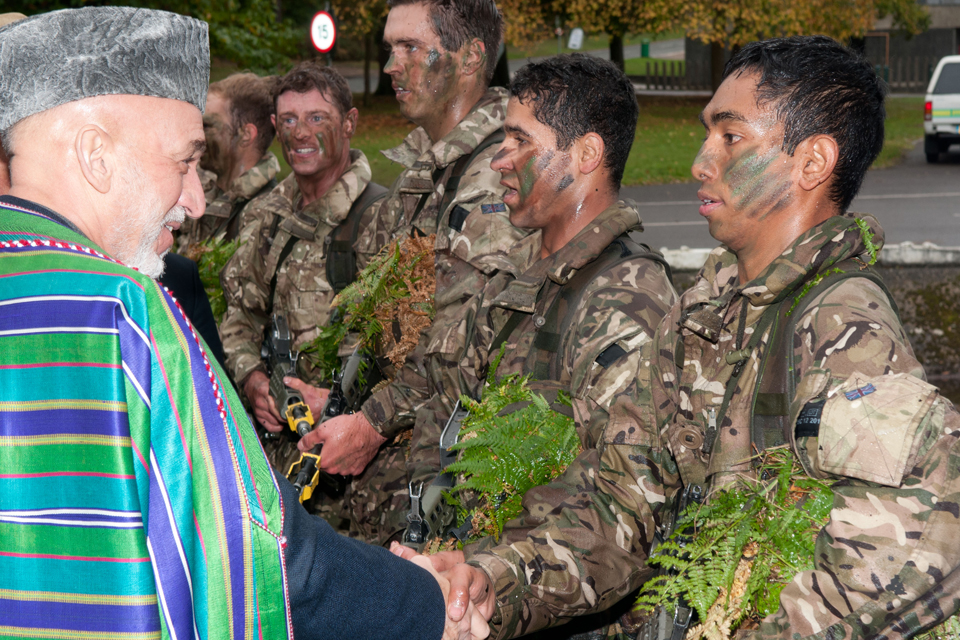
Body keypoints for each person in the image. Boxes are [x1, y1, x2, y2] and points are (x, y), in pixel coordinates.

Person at [406, 36, 960, 640]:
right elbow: (622, 506)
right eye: (706, 134)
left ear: (812, 162)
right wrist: (496, 582)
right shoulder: (704, 316)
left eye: (730, 137)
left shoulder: (844, 332)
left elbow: (918, 551)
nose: (700, 162)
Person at [0, 8, 488, 639]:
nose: (197, 199)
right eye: (183, 161)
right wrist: (426, 603)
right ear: (96, 155)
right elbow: (262, 550)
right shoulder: (125, 316)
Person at [317, 54, 677, 546]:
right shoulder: (524, 272)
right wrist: (368, 423)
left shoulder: (627, 301)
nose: (499, 158)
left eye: (520, 140)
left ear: (586, 154)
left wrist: (484, 582)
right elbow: (442, 378)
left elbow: (616, 510)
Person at [300, 0, 533, 543]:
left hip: (455, 489)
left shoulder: (492, 177)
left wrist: (370, 421)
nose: (391, 66)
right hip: (400, 480)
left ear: (471, 57)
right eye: (389, 49)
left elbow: (459, 346)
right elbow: (391, 328)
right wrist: (340, 399)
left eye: (409, 47)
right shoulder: (429, 171)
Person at [219, 62, 388, 480]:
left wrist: (339, 402)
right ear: (275, 125)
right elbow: (240, 314)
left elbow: (408, 358)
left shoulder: (384, 219)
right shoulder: (267, 215)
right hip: (275, 463)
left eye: (317, 118)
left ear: (349, 124)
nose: (299, 133)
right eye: (289, 120)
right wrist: (253, 380)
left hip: (358, 472)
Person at [176, 71, 280, 254]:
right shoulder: (203, 187)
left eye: (207, 126)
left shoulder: (268, 213)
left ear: (245, 135)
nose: (197, 135)